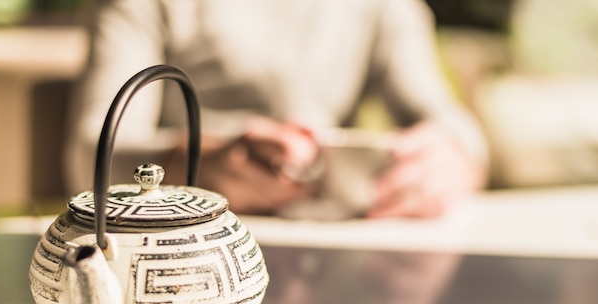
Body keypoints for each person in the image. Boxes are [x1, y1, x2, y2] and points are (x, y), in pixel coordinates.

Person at [66, 0, 488, 219]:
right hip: (189, 243)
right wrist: (194, 166)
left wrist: (454, 157)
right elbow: (91, 150)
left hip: (330, 259)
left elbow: (445, 118)